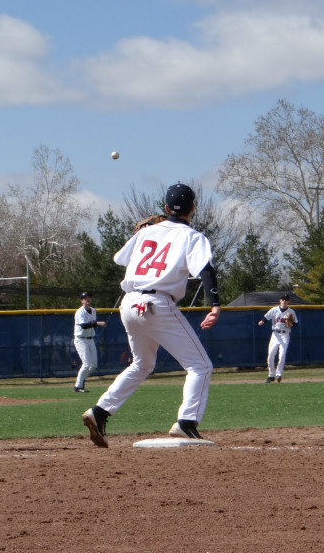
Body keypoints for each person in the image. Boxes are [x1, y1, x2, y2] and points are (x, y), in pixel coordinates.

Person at [82, 183, 221, 448]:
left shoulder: (146, 232)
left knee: (142, 364)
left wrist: (145, 233)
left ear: (166, 207)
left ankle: (99, 412)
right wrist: (215, 305)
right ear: (193, 208)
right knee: (200, 366)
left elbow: (119, 258)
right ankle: (186, 423)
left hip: (129, 303)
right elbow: (205, 270)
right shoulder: (193, 237)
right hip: (158, 303)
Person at [258, 293, 299, 383]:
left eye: (286, 300)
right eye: (283, 299)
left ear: (288, 302)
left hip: (285, 335)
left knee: (282, 355)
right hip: (275, 334)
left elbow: (296, 324)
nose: (284, 301)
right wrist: (262, 322)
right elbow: (266, 317)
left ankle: (279, 374)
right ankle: (271, 375)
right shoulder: (274, 310)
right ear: (280, 300)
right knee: (270, 355)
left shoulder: (291, 312)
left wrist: (291, 324)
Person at [73, 291, 106, 393]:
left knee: (94, 365)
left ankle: (81, 380)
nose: (88, 299)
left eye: (89, 297)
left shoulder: (93, 310)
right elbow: (84, 325)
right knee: (86, 364)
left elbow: (91, 324)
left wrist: (95, 323)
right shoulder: (80, 312)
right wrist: (98, 323)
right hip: (81, 339)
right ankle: (78, 386)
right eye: (85, 298)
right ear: (81, 301)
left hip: (90, 339)